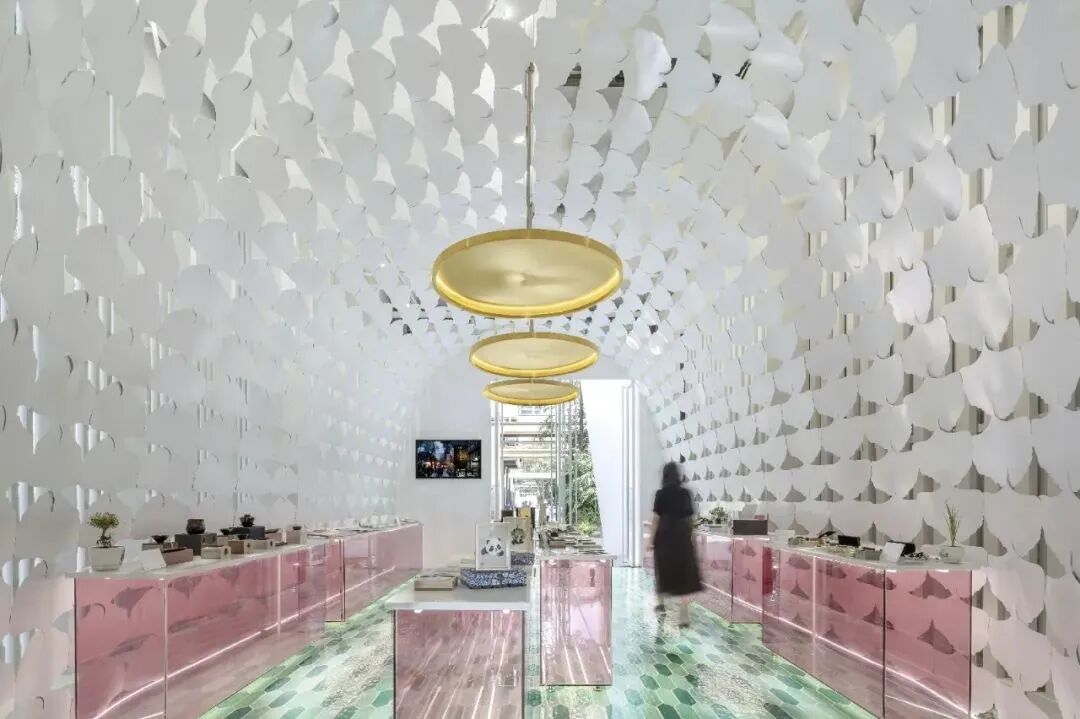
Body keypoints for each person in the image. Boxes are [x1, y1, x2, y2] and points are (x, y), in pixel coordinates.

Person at [651, 461, 702, 627]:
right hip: (681, 539)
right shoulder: (685, 493)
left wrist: (650, 541)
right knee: (683, 576)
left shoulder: (661, 494)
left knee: (663, 571)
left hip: (664, 539)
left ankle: (661, 605)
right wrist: (691, 538)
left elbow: (656, 519)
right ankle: (684, 614)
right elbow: (690, 519)